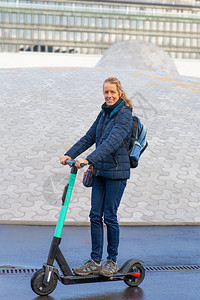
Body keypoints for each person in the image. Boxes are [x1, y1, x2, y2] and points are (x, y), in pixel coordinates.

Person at [60, 77, 133, 277]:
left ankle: (111, 261)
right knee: (94, 215)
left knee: (109, 216)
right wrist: (70, 154)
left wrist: (89, 159)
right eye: (106, 92)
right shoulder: (104, 113)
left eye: (112, 92)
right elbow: (89, 137)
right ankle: (94, 260)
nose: (109, 96)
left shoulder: (125, 115)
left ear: (120, 93)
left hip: (117, 173)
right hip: (100, 171)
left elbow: (112, 142)